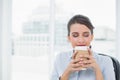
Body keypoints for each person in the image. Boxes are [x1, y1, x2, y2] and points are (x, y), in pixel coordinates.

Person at [50, 14, 115, 80]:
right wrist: (67, 72)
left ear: (92, 37)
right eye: (75, 35)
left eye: (86, 35)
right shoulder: (60, 58)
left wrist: (97, 70)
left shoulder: (106, 61)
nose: (81, 40)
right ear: (69, 38)